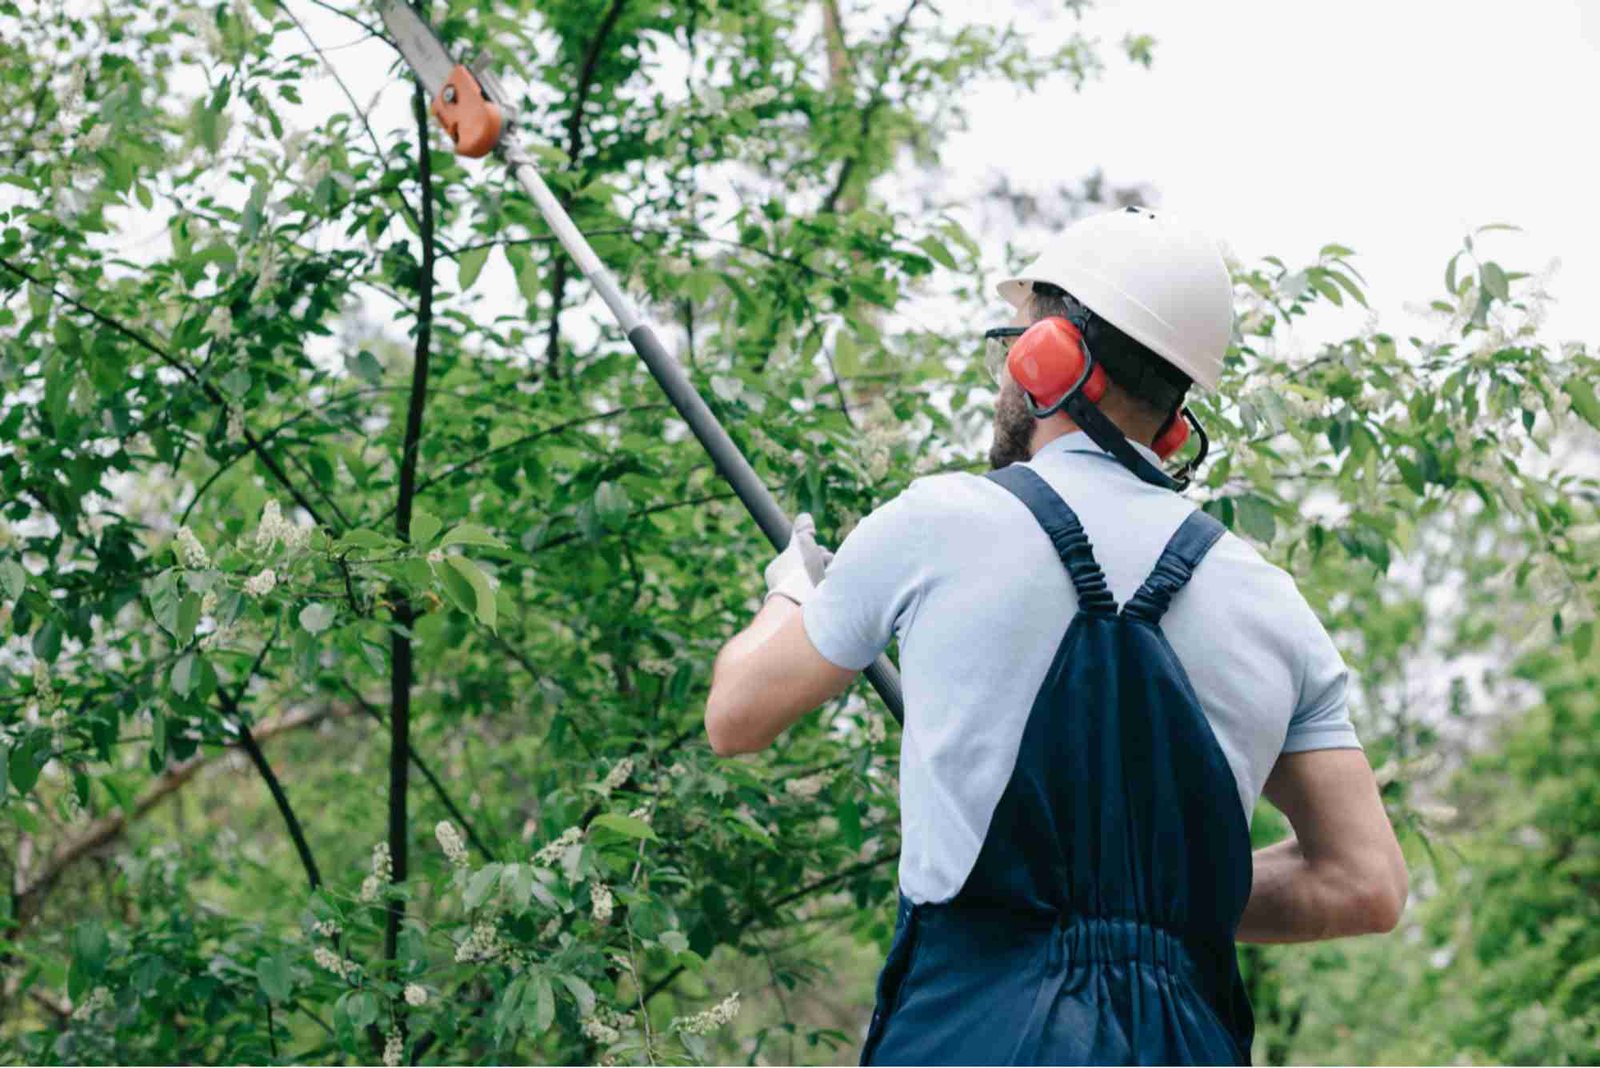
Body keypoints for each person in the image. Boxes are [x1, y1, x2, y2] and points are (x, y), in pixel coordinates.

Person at [704, 206, 1408, 1065]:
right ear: (1175, 416)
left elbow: (735, 717)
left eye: (1016, 344)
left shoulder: (936, 523)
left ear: (1053, 357)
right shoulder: (1270, 603)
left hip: (974, 1033)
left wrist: (792, 590)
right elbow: (1365, 884)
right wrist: (1172, 902)